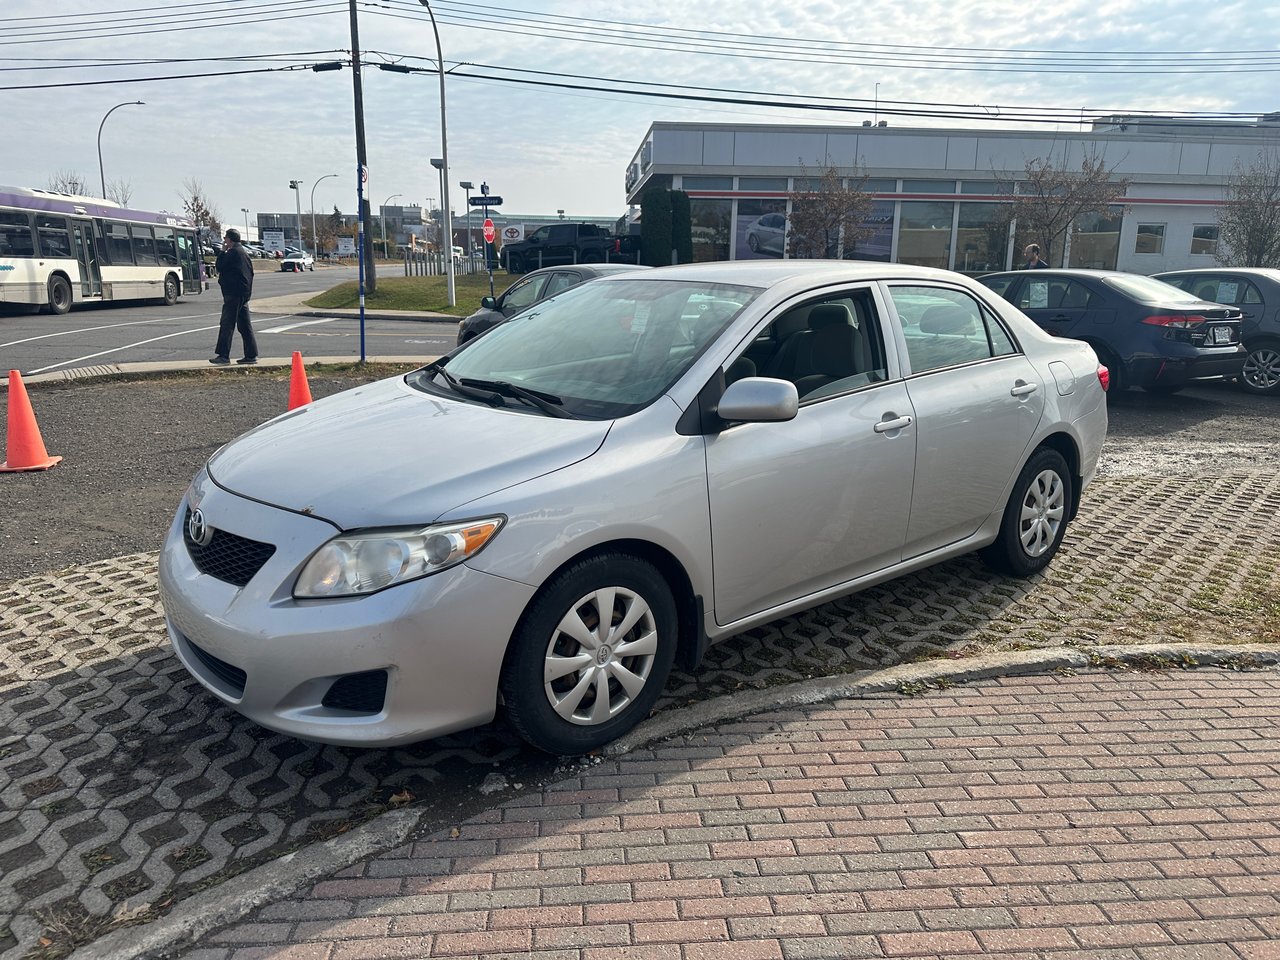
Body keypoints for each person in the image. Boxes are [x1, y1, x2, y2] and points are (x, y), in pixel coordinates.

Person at [211, 228, 258, 365]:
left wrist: (222, 251)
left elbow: (219, 266)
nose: (224, 241)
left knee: (227, 323)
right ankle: (251, 354)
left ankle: (223, 355)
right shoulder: (243, 252)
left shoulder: (232, 253)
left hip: (233, 293)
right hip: (243, 293)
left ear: (230, 240)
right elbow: (251, 273)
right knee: (244, 325)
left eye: (225, 238)